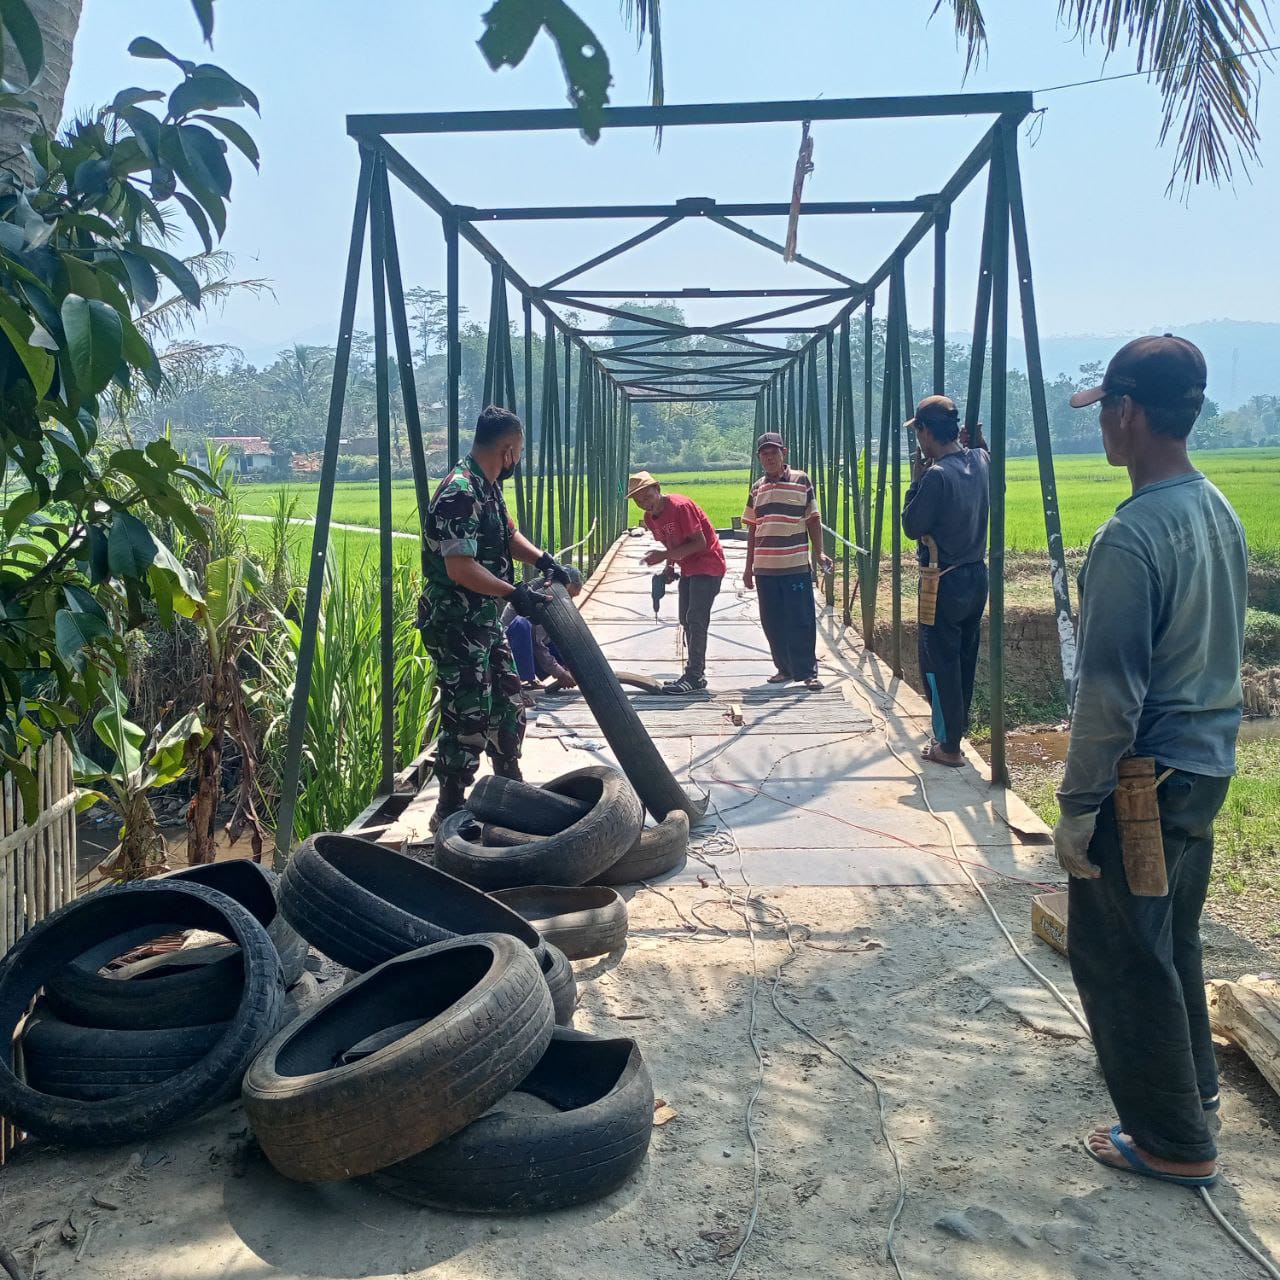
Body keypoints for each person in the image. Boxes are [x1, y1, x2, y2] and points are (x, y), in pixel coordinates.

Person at [1054, 336, 1246, 1189]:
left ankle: (1173, 1139)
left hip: (1145, 781)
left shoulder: (1132, 536)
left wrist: (1077, 805)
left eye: (1105, 411)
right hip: (1207, 764)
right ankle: (1194, 1093)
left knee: (1121, 951)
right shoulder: (1217, 509)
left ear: (1128, 413)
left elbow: (1109, 697)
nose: (1104, 426)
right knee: (1171, 935)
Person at [418, 405, 574, 829]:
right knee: (467, 712)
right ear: (507, 449)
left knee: (508, 699)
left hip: (483, 620)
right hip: (454, 623)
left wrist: (545, 562)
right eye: (518, 452)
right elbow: (460, 568)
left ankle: (510, 788)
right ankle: (449, 806)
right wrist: (514, 593)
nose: (517, 461)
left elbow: (507, 534)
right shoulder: (460, 491)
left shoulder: (487, 487)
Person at [900, 395, 990, 767]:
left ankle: (948, 745)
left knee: (939, 662)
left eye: (918, 431)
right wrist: (977, 440)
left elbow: (911, 525)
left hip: (944, 580)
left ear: (925, 431)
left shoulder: (937, 476)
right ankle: (956, 732)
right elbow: (984, 452)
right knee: (965, 657)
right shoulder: (981, 460)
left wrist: (914, 483)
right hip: (975, 575)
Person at [741, 432, 832, 690]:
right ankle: (784, 668)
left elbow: (813, 518)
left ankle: (808, 671)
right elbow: (751, 528)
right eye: (764, 454)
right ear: (759, 458)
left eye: (774, 452)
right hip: (765, 568)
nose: (769, 458)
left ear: (784, 453)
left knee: (801, 618)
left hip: (794, 566)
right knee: (772, 620)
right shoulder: (757, 488)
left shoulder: (801, 480)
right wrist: (748, 569)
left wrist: (819, 552)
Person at [626, 471, 727, 694]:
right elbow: (672, 544)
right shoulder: (651, 520)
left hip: (708, 565)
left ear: (658, 489)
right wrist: (669, 567)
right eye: (639, 501)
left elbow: (700, 543)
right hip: (689, 568)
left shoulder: (680, 507)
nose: (645, 504)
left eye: (647, 496)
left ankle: (694, 674)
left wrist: (663, 556)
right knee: (685, 619)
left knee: (696, 618)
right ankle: (695, 675)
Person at [503, 566, 583, 689]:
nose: (570, 600)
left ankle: (568, 671)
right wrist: (559, 673)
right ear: (564, 585)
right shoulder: (542, 594)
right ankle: (521, 683)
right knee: (522, 624)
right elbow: (537, 644)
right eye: (569, 596)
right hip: (511, 647)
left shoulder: (556, 593)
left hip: (535, 643)